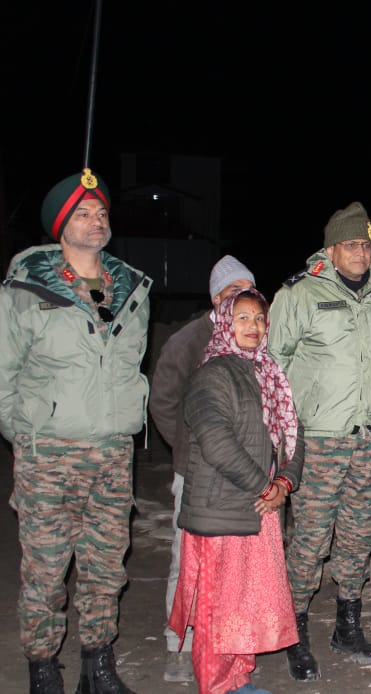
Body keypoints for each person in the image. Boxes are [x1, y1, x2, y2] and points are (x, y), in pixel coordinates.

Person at [0, 169, 151, 694]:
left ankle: (98, 666)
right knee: (45, 569)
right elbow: (4, 373)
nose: (97, 220)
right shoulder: (25, 287)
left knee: (107, 566)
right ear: (60, 226)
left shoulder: (132, 288)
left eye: (102, 212)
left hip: (112, 452)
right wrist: (27, 434)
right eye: (83, 214)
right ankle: (43, 669)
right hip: (49, 452)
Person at [268, 202, 371, 680]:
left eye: (366, 244)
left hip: (368, 436)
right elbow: (273, 365)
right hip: (319, 439)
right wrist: (283, 435)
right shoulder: (300, 295)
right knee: (309, 539)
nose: (360, 252)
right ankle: (294, 632)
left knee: (359, 536)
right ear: (330, 249)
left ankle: (347, 625)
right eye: (351, 244)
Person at [168, 288, 303, 694]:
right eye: (242, 318)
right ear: (226, 323)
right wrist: (266, 485)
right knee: (216, 606)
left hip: (257, 508)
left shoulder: (269, 372)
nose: (253, 326)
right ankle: (214, 684)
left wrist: (285, 482)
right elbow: (216, 440)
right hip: (220, 511)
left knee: (242, 602)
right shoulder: (212, 374)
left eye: (259, 319)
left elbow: (294, 437)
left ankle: (236, 679)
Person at [150, 255, 256, 683]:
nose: (241, 299)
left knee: (235, 564)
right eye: (233, 292)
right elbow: (163, 402)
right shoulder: (189, 340)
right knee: (187, 560)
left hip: (242, 476)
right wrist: (191, 453)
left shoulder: (254, 338)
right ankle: (181, 643)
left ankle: (226, 642)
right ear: (216, 298)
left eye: (248, 290)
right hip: (195, 475)